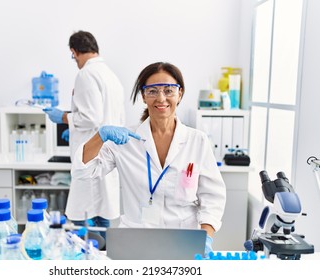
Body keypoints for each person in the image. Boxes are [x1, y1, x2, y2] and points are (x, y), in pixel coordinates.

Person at [71, 62, 226, 256]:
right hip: (135, 239)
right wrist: (99, 136)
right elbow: (83, 172)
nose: (161, 98)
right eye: (152, 91)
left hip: (184, 239)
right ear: (143, 96)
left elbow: (212, 197)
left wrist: (206, 238)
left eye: (169, 90)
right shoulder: (125, 140)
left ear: (180, 94)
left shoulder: (197, 141)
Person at [43, 31, 125, 241]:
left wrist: (63, 117)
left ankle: (90, 259)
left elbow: (91, 117)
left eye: (73, 57)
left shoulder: (86, 74)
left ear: (74, 52)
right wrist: (73, 127)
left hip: (91, 156)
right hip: (108, 154)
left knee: (81, 216)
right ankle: (102, 254)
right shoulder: (110, 74)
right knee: (101, 216)